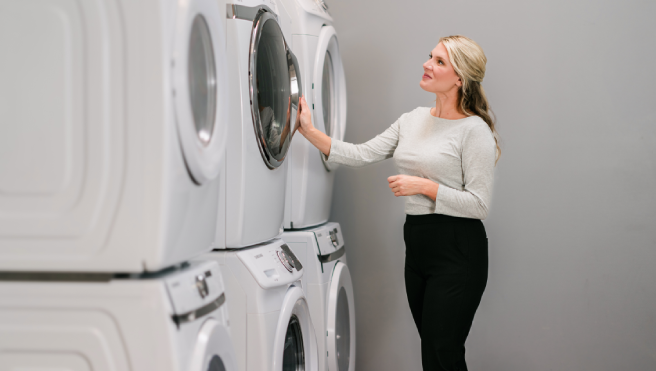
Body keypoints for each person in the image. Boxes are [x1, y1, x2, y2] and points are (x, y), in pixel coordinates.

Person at [296, 35, 500, 371]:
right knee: (432, 354)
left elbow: (479, 205)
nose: (426, 64)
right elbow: (363, 153)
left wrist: (425, 186)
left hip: (458, 251)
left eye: (439, 61)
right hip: (418, 245)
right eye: (429, 56)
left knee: (442, 351)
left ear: (460, 78)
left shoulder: (473, 130)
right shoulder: (412, 119)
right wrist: (309, 132)